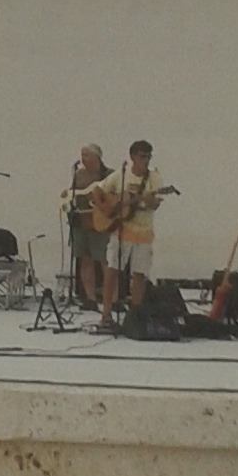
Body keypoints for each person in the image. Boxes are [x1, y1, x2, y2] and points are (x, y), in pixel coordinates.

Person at [95, 140, 166, 332]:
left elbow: (155, 204)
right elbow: (97, 190)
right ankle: (106, 314)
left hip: (144, 232)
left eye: (149, 156)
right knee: (112, 271)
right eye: (142, 156)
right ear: (133, 156)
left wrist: (147, 201)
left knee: (139, 274)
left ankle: (135, 315)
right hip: (121, 230)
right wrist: (105, 208)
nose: (146, 160)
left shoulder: (154, 178)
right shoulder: (121, 175)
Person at [66, 143, 109, 309]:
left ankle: (111, 299)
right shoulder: (79, 174)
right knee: (85, 259)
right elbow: (73, 193)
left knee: (105, 260)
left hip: (100, 222)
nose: (83, 158)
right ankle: (90, 298)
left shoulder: (108, 174)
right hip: (81, 220)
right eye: (82, 155)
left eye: (87, 155)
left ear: (97, 156)